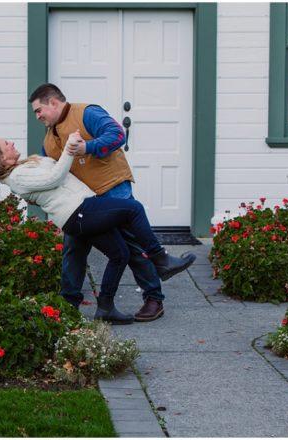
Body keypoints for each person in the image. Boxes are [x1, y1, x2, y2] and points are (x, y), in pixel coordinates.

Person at [0, 137, 195, 324]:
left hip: (81, 211)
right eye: (6, 144)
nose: (11, 143)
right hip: (79, 211)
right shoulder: (17, 177)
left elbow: (55, 167)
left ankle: (105, 308)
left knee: (120, 253)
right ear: (1, 159)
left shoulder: (26, 165)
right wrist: (70, 148)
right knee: (134, 210)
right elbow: (54, 177)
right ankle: (161, 260)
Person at [29, 83, 194, 322]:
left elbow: (116, 135)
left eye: (39, 110)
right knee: (74, 249)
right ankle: (69, 305)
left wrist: (87, 147)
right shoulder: (48, 140)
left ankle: (153, 299)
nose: (38, 116)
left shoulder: (87, 112)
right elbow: (49, 175)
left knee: (131, 246)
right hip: (84, 204)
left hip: (113, 189)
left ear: (53, 102)